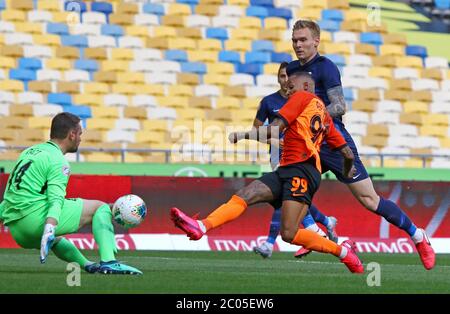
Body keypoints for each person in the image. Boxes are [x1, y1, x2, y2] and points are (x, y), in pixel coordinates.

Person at [170, 71, 364, 274]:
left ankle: (343, 252)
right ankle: (201, 227)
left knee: (289, 233)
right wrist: (347, 170)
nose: (287, 91)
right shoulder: (323, 114)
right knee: (247, 194)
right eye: (286, 87)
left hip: (302, 170)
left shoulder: (302, 97)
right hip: (291, 168)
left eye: (291, 87)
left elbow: (273, 129)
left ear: (306, 87)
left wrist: (243, 134)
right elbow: (347, 152)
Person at [281, 19, 434, 269]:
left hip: (333, 143)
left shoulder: (326, 67)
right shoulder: (291, 70)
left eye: (303, 40)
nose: (298, 44)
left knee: (369, 200)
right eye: (295, 40)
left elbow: (340, 106)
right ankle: (321, 236)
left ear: (316, 41)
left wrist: (312, 116)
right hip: (307, 145)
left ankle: (418, 236)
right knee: (290, 191)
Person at [0, 112, 142, 275]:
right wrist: (49, 226)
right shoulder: (58, 160)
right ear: (72, 134)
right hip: (35, 223)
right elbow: (56, 199)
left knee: (56, 240)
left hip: (18, 232)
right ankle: (109, 262)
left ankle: (88, 265)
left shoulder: (28, 152)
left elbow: (12, 193)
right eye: (80, 134)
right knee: (99, 207)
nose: (81, 139)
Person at [251, 62, 339, 259]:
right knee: (288, 196)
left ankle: (270, 242)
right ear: (278, 79)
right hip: (278, 153)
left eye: (287, 77)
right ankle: (320, 224)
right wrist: (275, 140)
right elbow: (257, 130)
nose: (285, 81)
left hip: (300, 155)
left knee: (288, 195)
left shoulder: (304, 99)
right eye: (281, 77)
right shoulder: (268, 102)